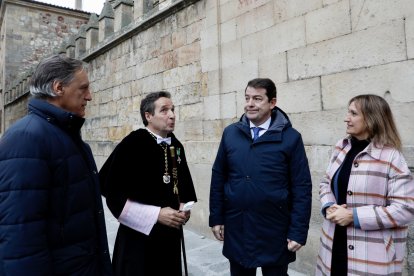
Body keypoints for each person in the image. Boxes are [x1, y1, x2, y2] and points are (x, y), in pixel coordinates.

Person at [0, 54, 112, 275]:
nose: (89, 96)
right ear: (59, 87)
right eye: (83, 88)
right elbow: (20, 238)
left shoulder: (66, 137)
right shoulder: (26, 139)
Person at [209, 78, 312, 276]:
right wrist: (216, 217)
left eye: (257, 99)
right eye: (247, 98)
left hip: (274, 230)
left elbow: (301, 187)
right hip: (237, 226)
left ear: (272, 103)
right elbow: (218, 177)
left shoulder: (291, 138)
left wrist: (298, 231)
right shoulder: (231, 133)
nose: (250, 103)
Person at [99, 91, 197, 276]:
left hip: (170, 237)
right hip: (139, 238)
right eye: (164, 110)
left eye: (173, 110)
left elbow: (182, 185)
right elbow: (113, 192)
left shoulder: (175, 145)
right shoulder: (132, 144)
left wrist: (184, 207)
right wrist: (156, 214)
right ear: (148, 116)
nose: (172, 115)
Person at [316, 94, 414, 275]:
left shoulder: (391, 156)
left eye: (353, 113)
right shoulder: (341, 147)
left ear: (370, 119)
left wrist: (354, 216)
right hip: (333, 244)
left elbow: (405, 209)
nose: (347, 118)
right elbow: (325, 183)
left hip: (371, 253)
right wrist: (329, 205)